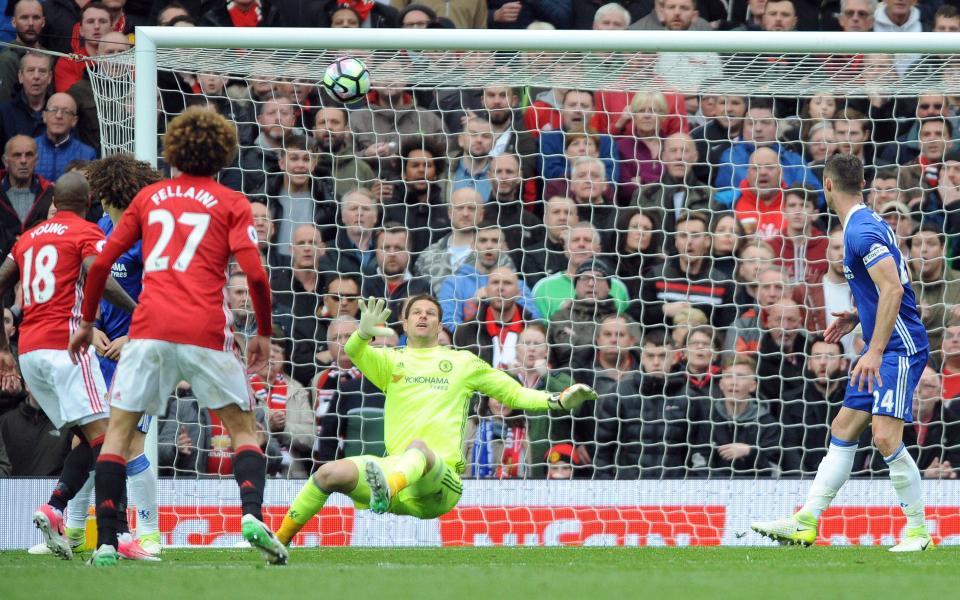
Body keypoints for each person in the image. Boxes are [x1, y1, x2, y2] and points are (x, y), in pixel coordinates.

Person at [66, 107, 288, 566]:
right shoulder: (232, 203)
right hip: (205, 329)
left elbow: (102, 263)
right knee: (244, 431)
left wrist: (87, 321)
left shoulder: (150, 198)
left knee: (116, 435)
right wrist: (264, 332)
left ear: (172, 152)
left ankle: (107, 542)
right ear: (224, 154)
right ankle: (252, 516)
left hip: (147, 331)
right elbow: (257, 278)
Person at [274, 294, 597, 544]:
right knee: (329, 473)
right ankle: (279, 541)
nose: (423, 316)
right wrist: (361, 333)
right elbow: (356, 353)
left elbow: (514, 395)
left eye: (431, 313)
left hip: (440, 483)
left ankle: (386, 487)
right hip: (396, 477)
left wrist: (556, 400)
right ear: (403, 322)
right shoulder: (391, 360)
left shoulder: (462, 362)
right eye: (417, 312)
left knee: (420, 449)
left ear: (441, 325)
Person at [751, 153, 932, 552]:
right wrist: (859, 315)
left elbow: (894, 289)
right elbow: (889, 283)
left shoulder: (860, 232)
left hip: (898, 349)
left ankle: (919, 532)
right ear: (862, 183)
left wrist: (875, 347)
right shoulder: (866, 223)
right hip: (884, 341)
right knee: (843, 429)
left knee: (884, 438)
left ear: (827, 186)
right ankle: (805, 521)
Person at [0, 172, 140, 560]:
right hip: (67, 349)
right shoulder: (85, 231)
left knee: (90, 437)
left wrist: (2, 348)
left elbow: (1, 282)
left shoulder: (28, 238)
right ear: (90, 198)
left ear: (53, 202)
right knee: (112, 440)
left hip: (29, 353)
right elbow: (100, 274)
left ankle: (55, 508)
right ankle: (115, 539)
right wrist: (138, 311)